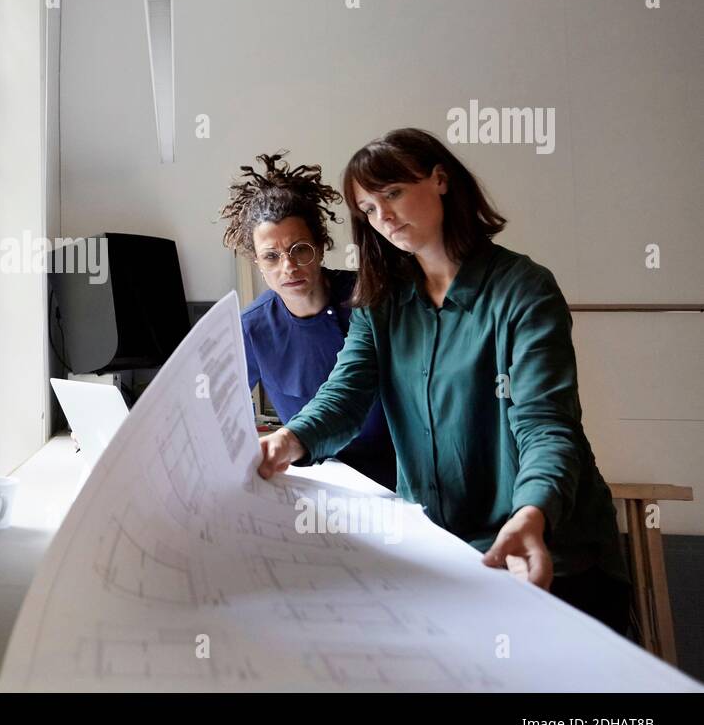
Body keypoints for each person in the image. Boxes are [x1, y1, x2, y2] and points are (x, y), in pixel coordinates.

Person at [257, 129, 631, 634]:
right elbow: (346, 394)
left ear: (440, 180)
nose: (383, 217)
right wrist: (290, 438)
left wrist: (532, 512)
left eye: (392, 193)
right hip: (442, 547)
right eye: (368, 208)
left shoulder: (523, 290)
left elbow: (545, 426)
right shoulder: (381, 298)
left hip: (544, 547)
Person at [221, 152, 397, 491]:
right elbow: (218, 412)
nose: (288, 267)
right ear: (257, 263)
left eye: (299, 249)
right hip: (314, 479)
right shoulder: (251, 328)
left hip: (392, 474)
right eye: (271, 256)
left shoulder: (369, 298)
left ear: (320, 245)